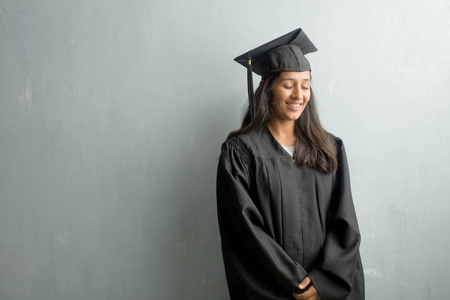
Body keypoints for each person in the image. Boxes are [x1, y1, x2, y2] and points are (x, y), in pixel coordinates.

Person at [216, 28, 364, 300]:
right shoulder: (241, 153)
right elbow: (244, 231)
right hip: (273, 289)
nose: (299, 95)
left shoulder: (330, 149)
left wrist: (322, 283)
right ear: (266, 88)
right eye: (288, 84)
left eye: (305, 85)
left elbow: (344, 223)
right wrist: (297, 284)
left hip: (325, 291)